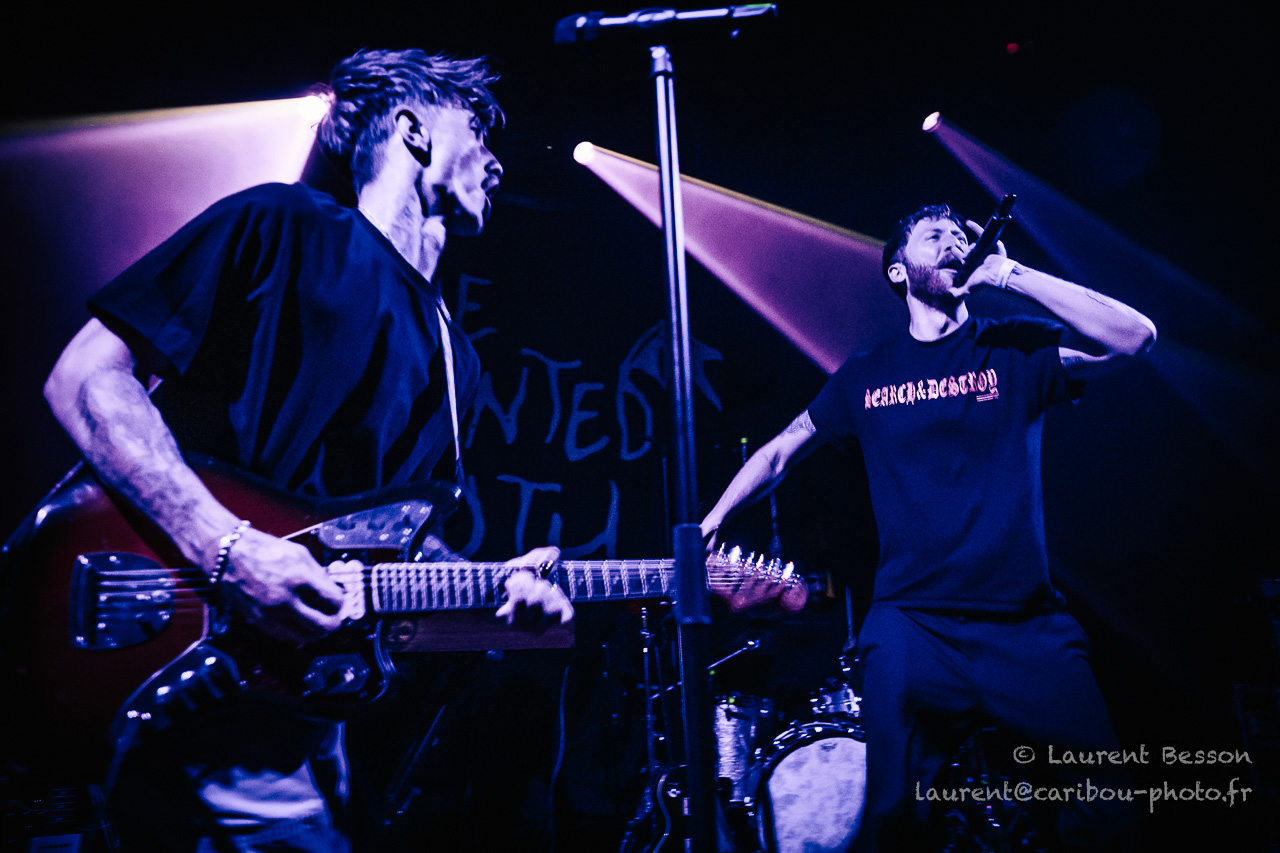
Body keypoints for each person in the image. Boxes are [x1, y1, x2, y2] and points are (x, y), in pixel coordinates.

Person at [42, 48, 573, 851]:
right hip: (184, 661)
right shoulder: (281, 222)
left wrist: (494, 590)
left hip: (303, 710)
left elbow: (398, 545)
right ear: (414, 129)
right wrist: (228, 548)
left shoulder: (457, 356)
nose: (497, 161)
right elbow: (84, 376)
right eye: (477, 130)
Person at [699, 203, 1156, 851]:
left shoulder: (1015, 346)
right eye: (934, 235)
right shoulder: (867, 374)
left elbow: (1135, 339)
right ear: (897, 270)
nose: (954, 242)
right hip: (912, 625)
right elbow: (780, 452)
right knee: (895, 821)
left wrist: (1010, 275)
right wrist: (715, 517)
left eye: (961, 235)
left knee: (1111, 811)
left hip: (1025, 627)